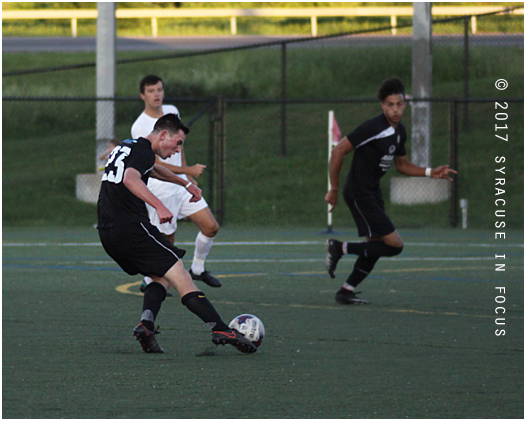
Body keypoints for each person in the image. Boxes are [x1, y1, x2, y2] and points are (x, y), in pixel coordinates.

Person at [97, 113, 256, 354]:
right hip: (130, 228)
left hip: (108, 233)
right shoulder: (144, 152)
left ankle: (147, 326)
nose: (178, 149)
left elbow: (155, 169)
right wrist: (159, 205)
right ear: (162, 135)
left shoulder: (129, 146)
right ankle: (220, 328)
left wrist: (186, 183)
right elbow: (131, 179)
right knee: (179, 272)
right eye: (178, 143)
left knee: (159, 275)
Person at [324, 77, 457, 305]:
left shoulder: (399, 131)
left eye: (399, 104)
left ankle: (346, 291)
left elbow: (402, 165)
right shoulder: (373, 127)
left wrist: (429, 172)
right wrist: (333, 189)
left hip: (372, 192)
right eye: (390, 105)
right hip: (358, 192)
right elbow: (337, 152)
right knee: (395, 245)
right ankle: (338, 247)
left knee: (375, 247)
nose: (395, 109)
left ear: (405, 104)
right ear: (382, 106)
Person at [131, 74, 221, 292]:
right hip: (161, 188)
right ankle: (151, 281)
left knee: (211, 227)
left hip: (182, 186)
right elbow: (153, 163)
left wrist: (188, 178)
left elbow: (180, 147)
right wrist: (187, 171)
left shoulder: (172, 111)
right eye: (151, 91)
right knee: (167, 243)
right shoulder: (140, 126)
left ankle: (197, 269)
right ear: (143, 95)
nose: (157, 95)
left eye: (159, 90)